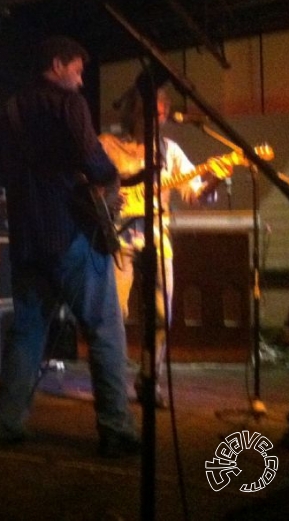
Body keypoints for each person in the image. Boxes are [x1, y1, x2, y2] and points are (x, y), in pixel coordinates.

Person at [0, 35, 140, 458]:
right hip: (72, 234)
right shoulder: (70, 105)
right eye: (76, 70)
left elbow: (0, 167)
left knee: (27, 332)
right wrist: (112, 178)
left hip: (28, 238)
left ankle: (5, 423)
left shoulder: (10, 109)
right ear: (57, 65)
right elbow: (92, 160)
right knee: (106, 330)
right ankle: (116, 429)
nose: (79, 79)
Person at [99, 78, 230, 409]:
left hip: (157, 236)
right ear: (134, 112)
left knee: (160, 314)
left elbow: (195, 194)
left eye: (161, 113)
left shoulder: (169, 151)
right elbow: (86, 187)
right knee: (114, 313)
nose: (157, 119)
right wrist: (107, 200)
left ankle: (149, 381)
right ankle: (111, 386)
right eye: (150, 112)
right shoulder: (108, 145)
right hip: (117, 238)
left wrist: (215, 175)